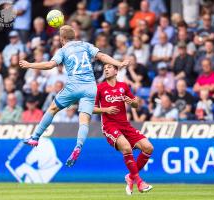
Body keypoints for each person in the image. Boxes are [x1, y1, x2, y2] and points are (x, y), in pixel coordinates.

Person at [19, 25, 129, 167]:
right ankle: (78, 146)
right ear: (74, 36)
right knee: (84, 121)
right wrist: (118, 63)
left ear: (62, 39)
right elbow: (102, 56)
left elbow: (50, 65)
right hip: (90, 87)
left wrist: (29, 65)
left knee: (52, 109)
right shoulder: (86, 45)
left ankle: (35, 137)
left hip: (73, 86)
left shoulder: (63, 50)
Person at [94, 64, 153, 194]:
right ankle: (139, 181)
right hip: (110, 126)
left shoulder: (124, 86)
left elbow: (136, 104)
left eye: (109, 67)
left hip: (125, 125)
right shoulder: (100, 87)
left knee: (148, 147)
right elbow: (90, 108)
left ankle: (130, 176)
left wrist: (132, 102)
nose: (106, 70)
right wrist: (106, 109)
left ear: (116, 71)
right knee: (126, 147)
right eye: (105, 68)